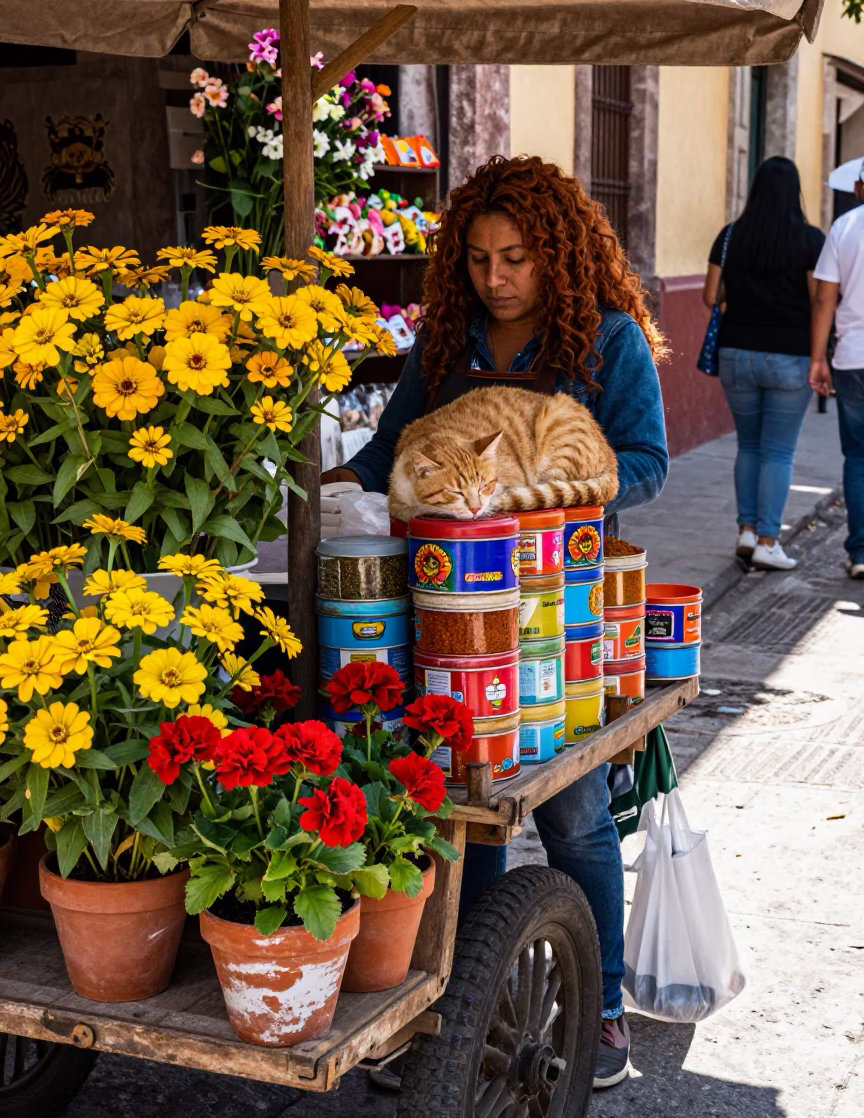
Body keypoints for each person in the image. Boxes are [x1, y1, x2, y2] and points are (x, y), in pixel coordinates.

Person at [323, 155, 669, 1089]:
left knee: (575, 813)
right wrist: (341, 490)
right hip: (449, 612)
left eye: (515, 257)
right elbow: (392, 444)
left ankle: (596, 1011)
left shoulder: (608, 341)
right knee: (460, 806)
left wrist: (548, 499)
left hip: (563, 613)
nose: (496, 277)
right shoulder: (447, 339)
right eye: (477, 259)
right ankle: (453, 1004)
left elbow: (645, 463)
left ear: (554, 254)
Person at [704, 156, 825, 571]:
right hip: (790, 356)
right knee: (778, 450)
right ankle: (769, 541)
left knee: (749, 445)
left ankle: (746, 532)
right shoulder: (811, 240)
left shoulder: (731, 235)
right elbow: (817, 299)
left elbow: (709, 297)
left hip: (736, 353)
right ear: (796, 192)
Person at [810, 163, 864, 580]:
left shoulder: (845, 227)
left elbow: (824, 299)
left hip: (853, 357)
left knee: (858, 457)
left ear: (860, 187)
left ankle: (861, 551)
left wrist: (817, 358)